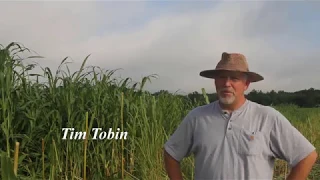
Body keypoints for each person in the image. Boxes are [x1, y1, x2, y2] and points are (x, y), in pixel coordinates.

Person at [163, 52, 318, 180]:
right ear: (215, 82)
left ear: (246, 84)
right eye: (222, 77)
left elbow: (306, 156)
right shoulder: (197, 117)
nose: (226, 84)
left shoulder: (267, 117)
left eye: (234, 78)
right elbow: (171, 153)